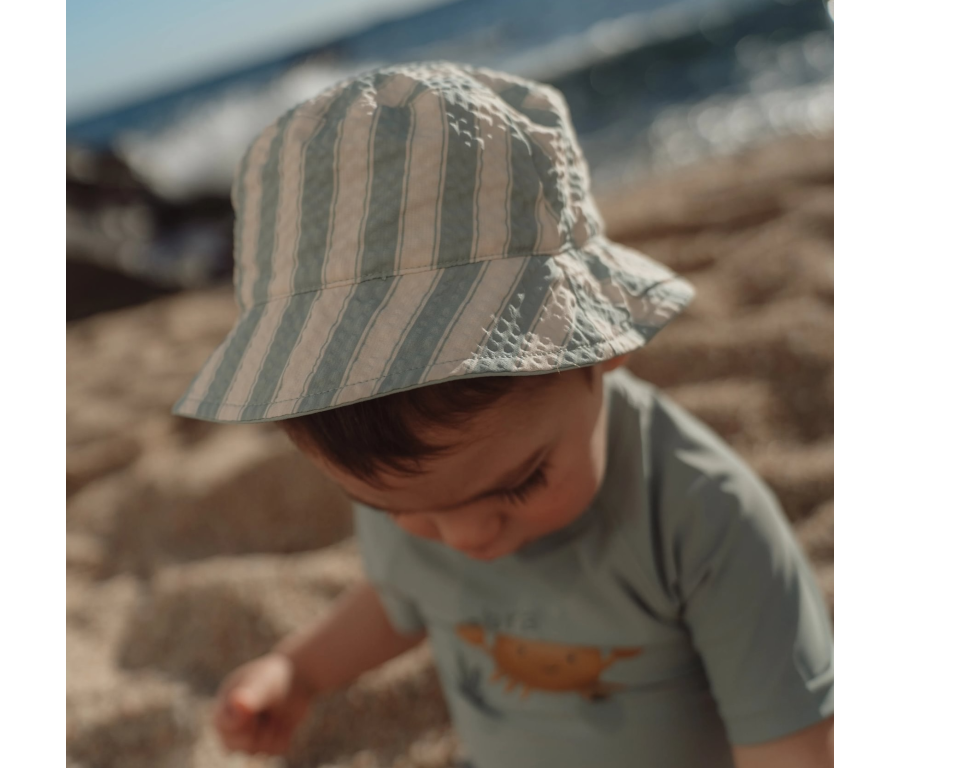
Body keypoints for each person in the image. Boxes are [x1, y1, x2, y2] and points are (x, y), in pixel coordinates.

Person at [173, 62, 834, 767]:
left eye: (521, 483)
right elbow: (401, 598)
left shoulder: (703, 519)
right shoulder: (421, 484)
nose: (463, 538)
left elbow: (791, 744)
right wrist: (298, 672)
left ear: (604, 346)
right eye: (400, 512)